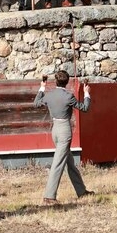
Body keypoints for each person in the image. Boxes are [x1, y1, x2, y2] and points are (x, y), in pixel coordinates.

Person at [35, 71, 93, 206]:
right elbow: (85, 108)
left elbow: (36, 103)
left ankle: (81, 191)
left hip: (54, 130)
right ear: (67, 82)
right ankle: (49, 197)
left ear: (56, 81)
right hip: (64, 131)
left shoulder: (49, 95)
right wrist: (86, 93)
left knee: (69, 163)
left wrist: (42, 87)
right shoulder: (68, 96)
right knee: (58, 163)